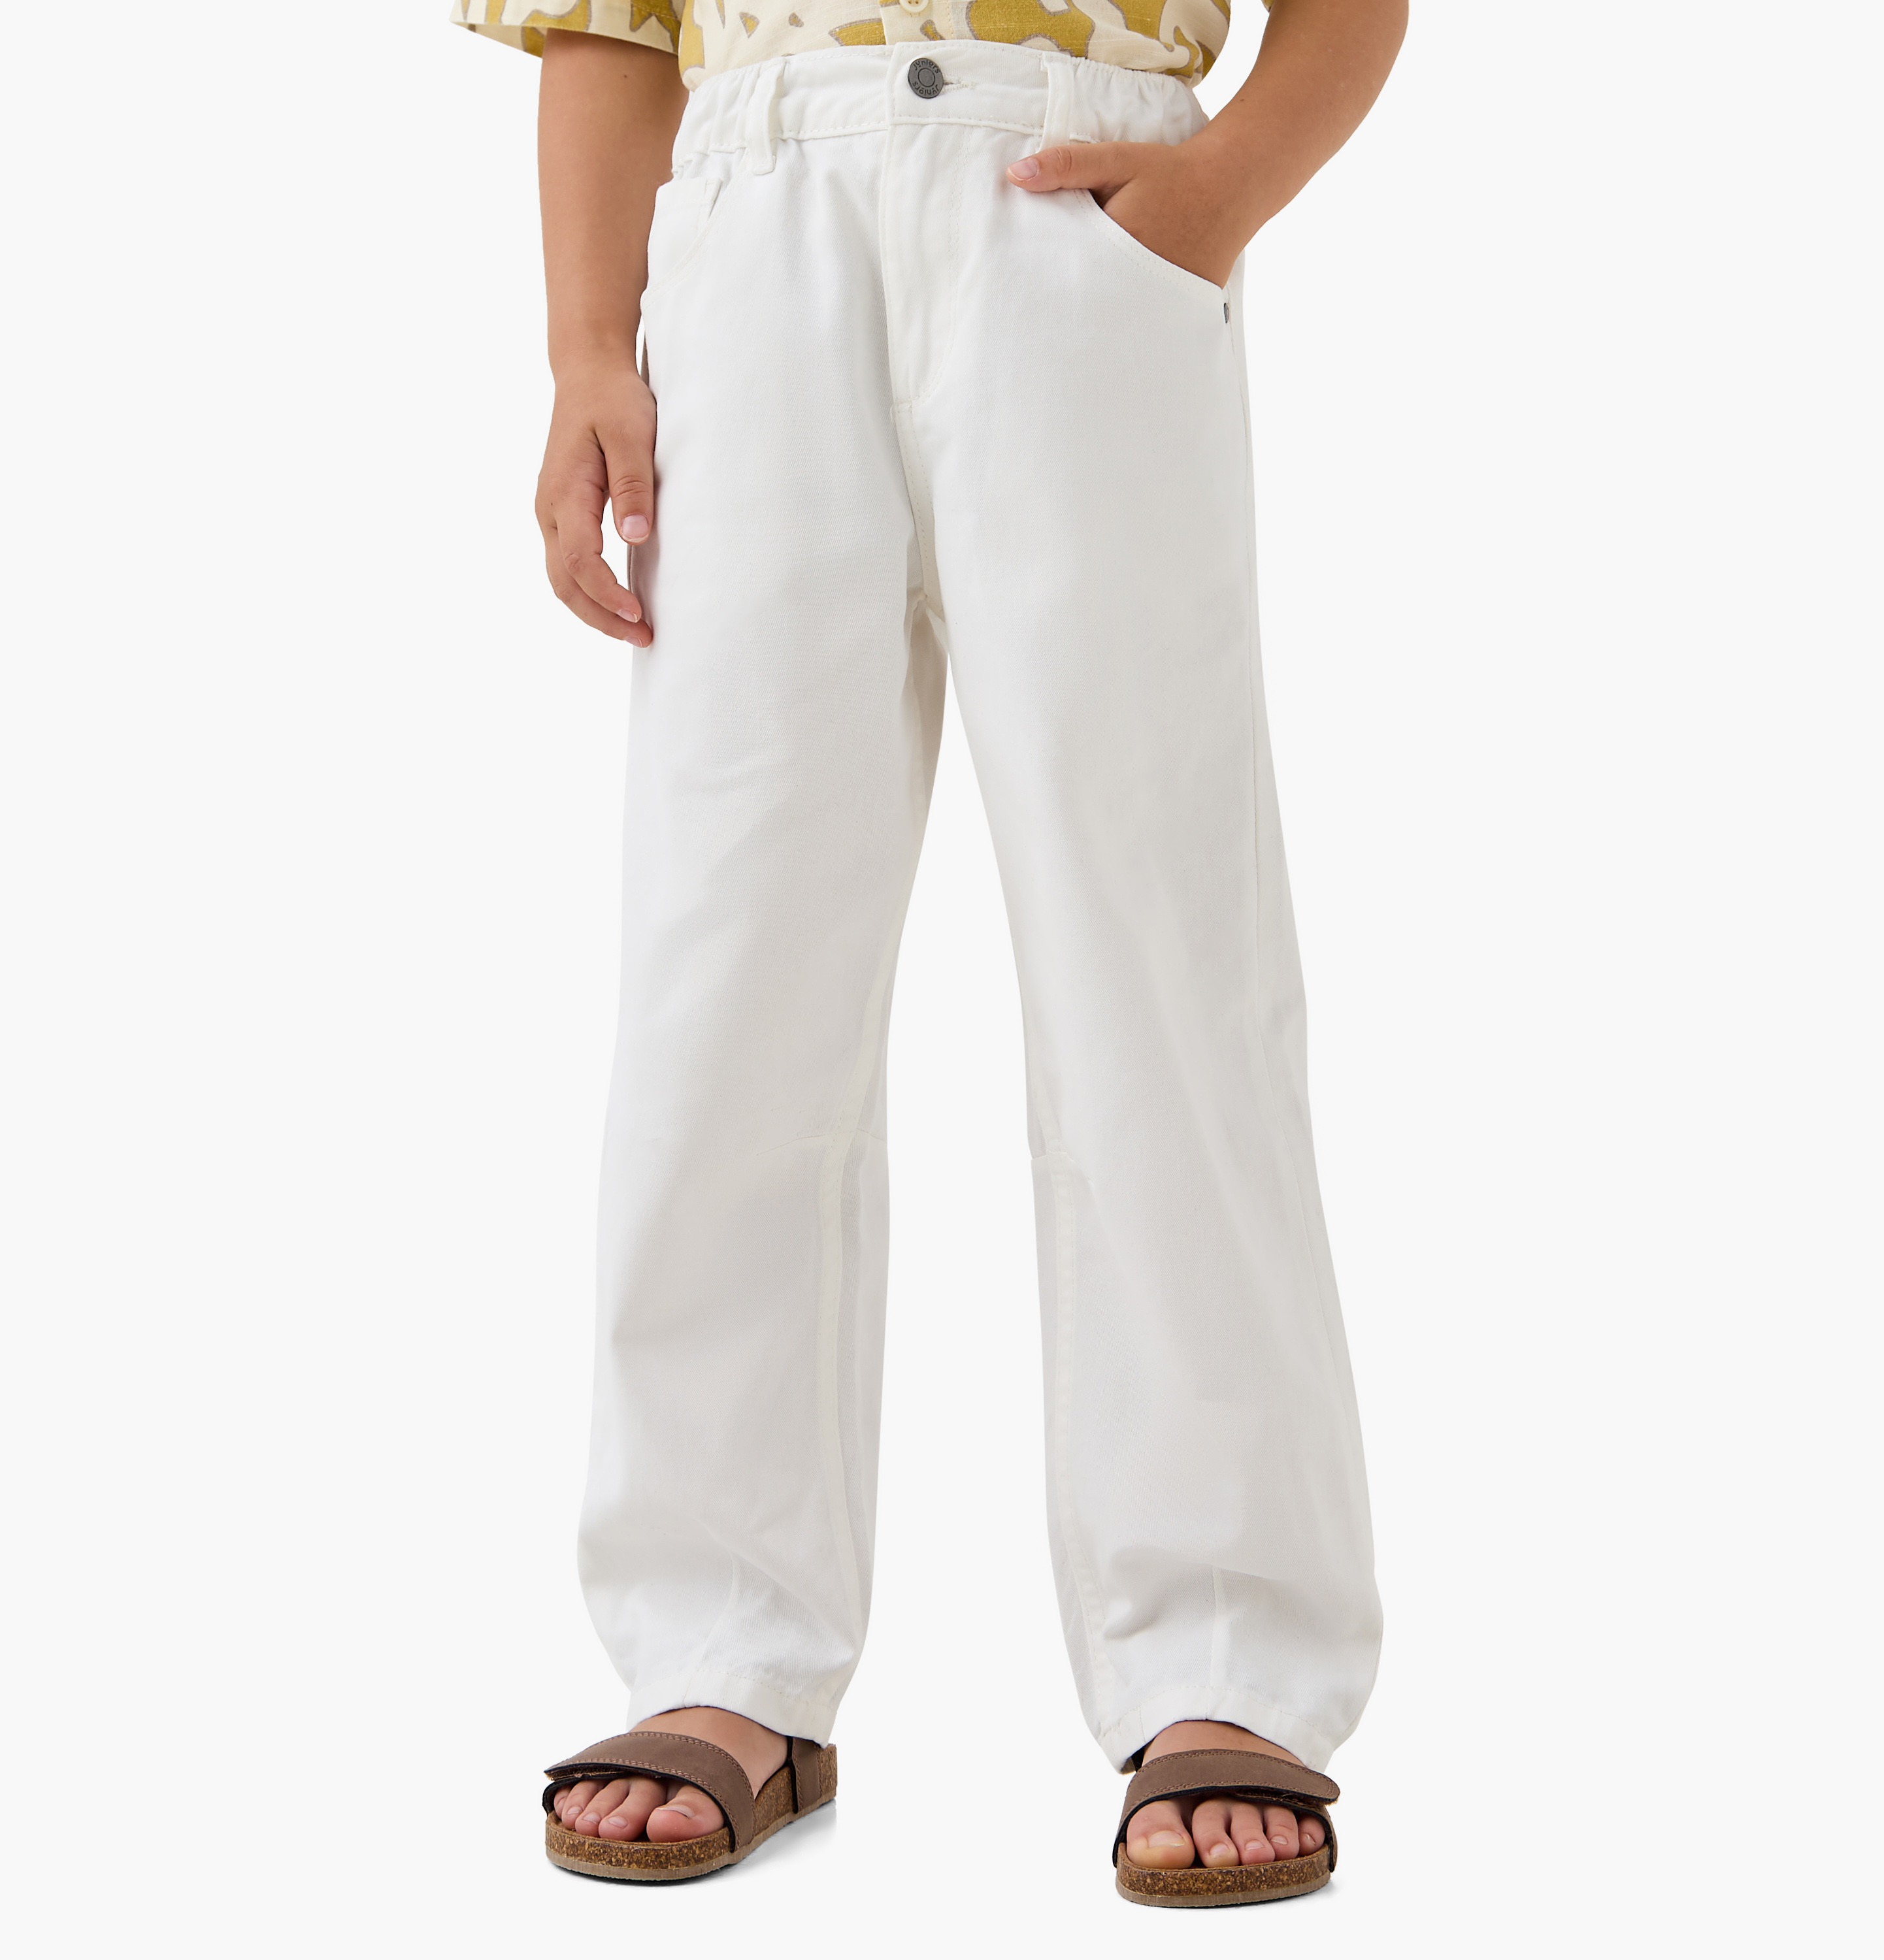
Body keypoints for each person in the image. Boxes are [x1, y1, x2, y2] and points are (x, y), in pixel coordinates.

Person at [455, 0, 1402, 1907]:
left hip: (1079, 216)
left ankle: (1224, 1653)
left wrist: (1213, 195)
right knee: (727, 972)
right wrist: (583, 347)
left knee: (1161, 958)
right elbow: (605, 24)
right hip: (750, 234)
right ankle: (720, 1648)